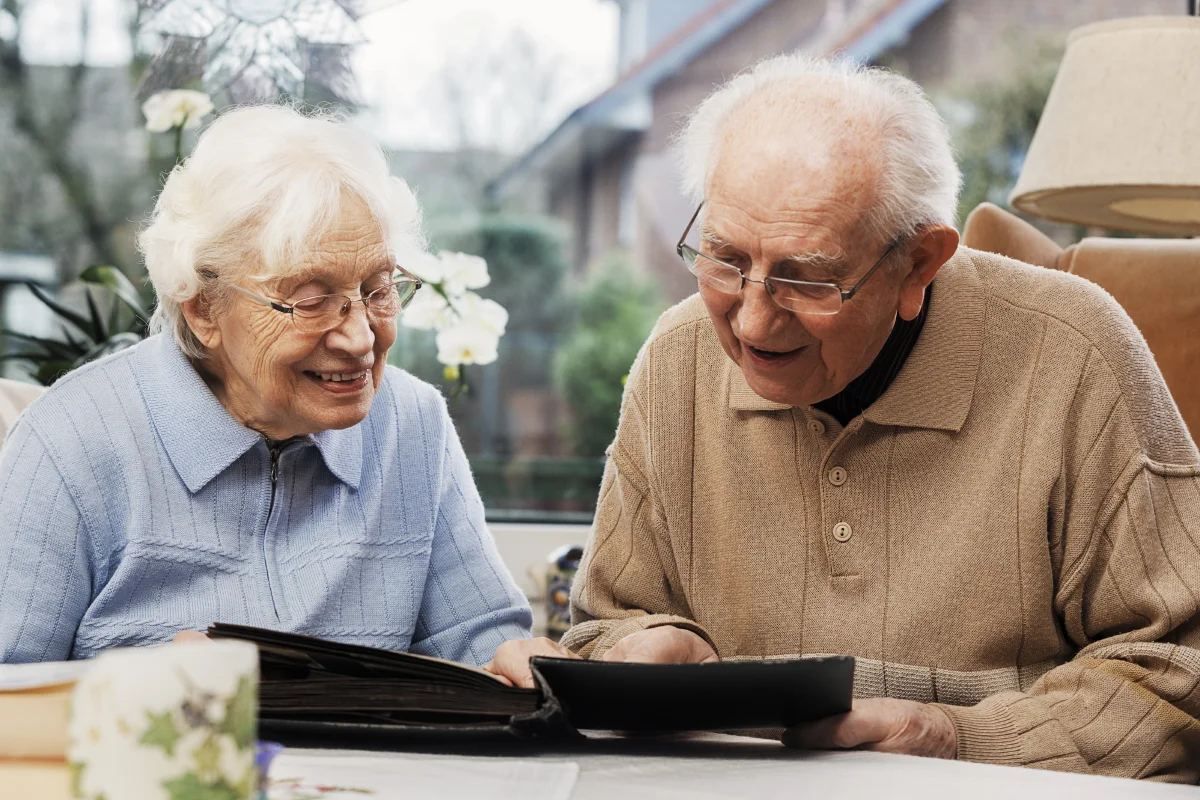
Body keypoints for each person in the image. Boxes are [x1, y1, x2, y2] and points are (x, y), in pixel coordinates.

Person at [488, 54, 1200, 781]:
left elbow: (1176, 673)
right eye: (725, 259)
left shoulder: (1076, 352)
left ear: (920, 263)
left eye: (806, 278)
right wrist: (639, 649)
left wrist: (955, 738)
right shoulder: (676, 360)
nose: (754, 322)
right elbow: (606, 624)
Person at [0, 105, 531, 666]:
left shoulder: (413, 425)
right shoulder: (71, 441)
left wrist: (512, 661)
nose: (358, 338)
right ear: (205, 307)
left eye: (378, 289)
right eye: (309, 299)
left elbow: (478, 637)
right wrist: (134, 691)